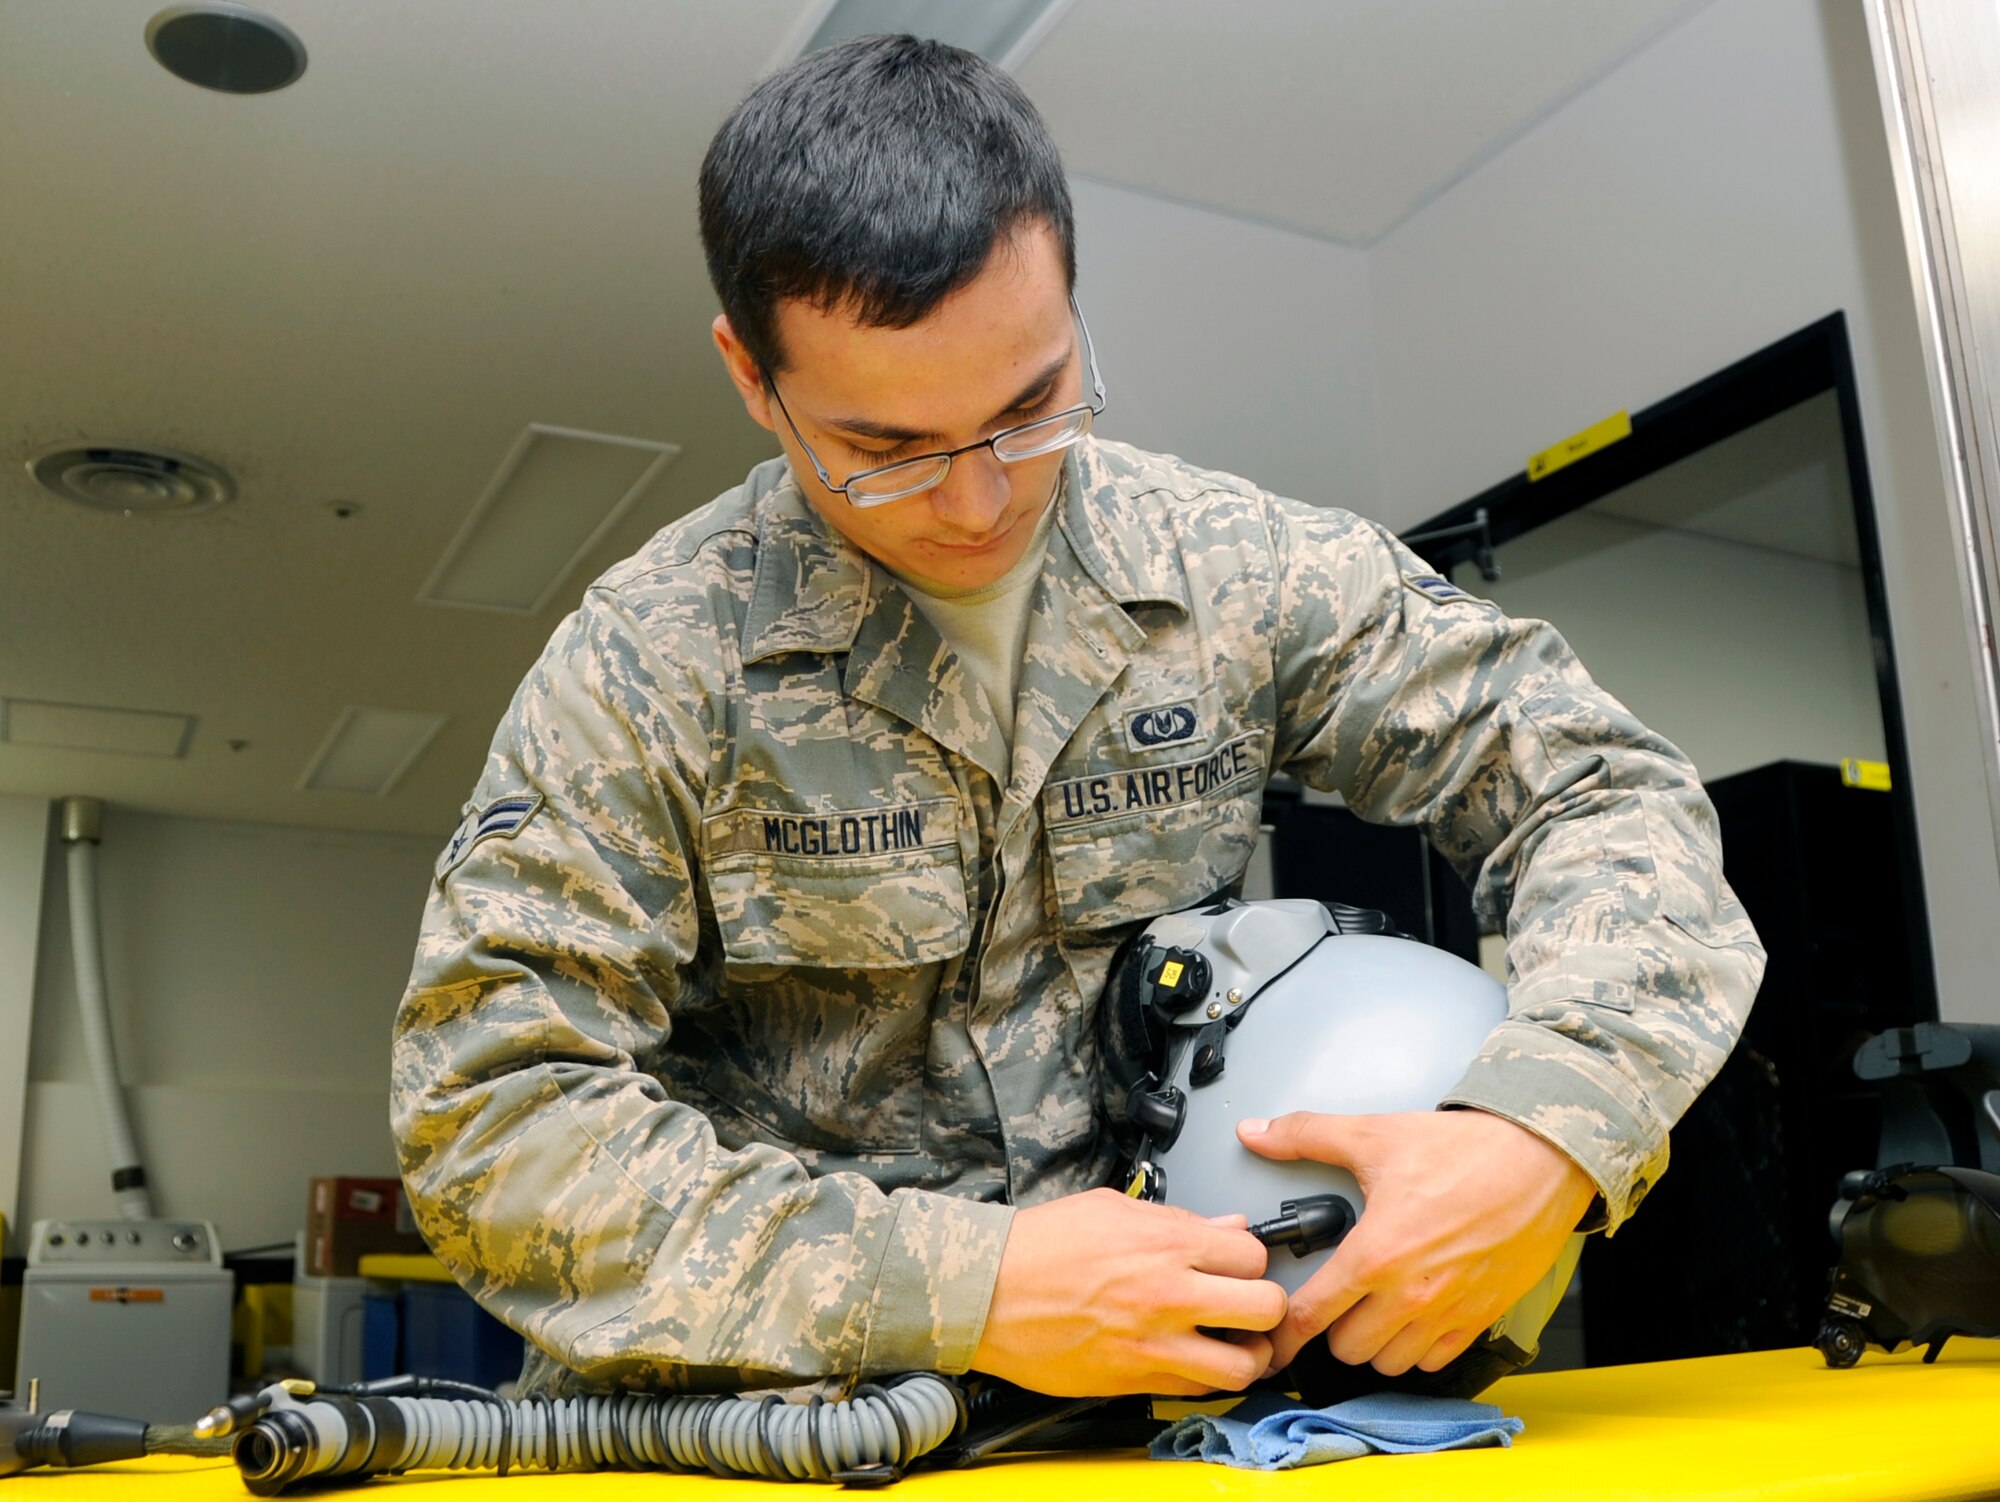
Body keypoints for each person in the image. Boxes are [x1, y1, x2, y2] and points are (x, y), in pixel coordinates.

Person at [391, 35, 1764, 1403]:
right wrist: (963, 1286)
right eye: (886, 451)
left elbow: (1602, 789)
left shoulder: (1239, 570)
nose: (980, 502)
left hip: (1155, 1431)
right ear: (753, 380)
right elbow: (492, 1116)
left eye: (1032, 404)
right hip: (766, 1437)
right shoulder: (649, 664)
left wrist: (1547, 1130)